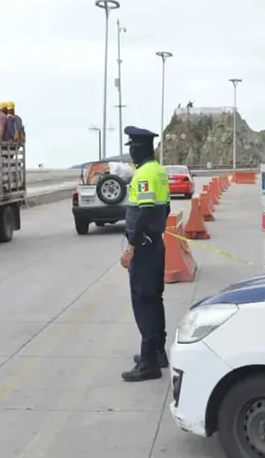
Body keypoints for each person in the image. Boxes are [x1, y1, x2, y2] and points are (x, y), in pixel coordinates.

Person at [120, 125, 171, 382]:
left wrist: (132, 245)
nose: (130, 153)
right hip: (156, 244)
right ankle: (157, 352)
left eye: (131, 148)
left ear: (139, 148)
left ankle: (149, 363)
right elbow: (166, 208)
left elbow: (145, 212)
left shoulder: (143, 175)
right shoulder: (159, 172)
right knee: (154, 299)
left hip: (144, 248)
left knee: (143, 302)